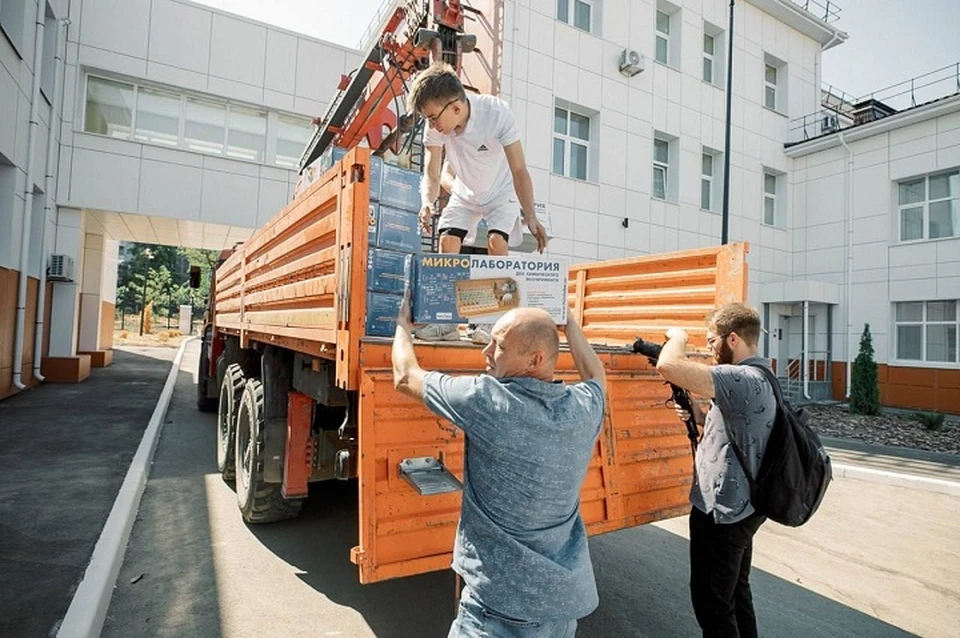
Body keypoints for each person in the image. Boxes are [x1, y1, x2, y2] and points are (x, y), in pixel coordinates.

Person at [392, 299, 605, 637]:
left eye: (500, 346)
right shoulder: (584, 408)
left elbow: (405, 377)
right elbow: (596, 375)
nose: (486, 352)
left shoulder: (488, 402)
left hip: (498, 610)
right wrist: (571, 326)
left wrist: (403, 325)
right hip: (562, 611)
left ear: (534, 360)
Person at [654, 303, 776, 638]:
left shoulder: (740, 377)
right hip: (743, 507)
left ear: (732, 339)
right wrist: (697, 413)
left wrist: (677, 336)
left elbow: (668, 364)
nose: (709, 349)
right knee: (736, 592)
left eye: (711, 341)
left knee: (712, 604)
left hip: (722, 510)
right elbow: (739, 430)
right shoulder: (762, 376)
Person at [407, 61, 549, 344]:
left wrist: (530, 216)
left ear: (456, 108)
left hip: (500, 192)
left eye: (434, 117)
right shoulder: (436, 126)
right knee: (447, 241)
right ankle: (443, 322)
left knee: (497, 244)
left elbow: (520, 169)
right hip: (464, 193)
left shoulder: (496, 114)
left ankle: (491, 324)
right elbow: (432, 171)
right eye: (428, 119)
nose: (432, 125)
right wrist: (426, 202)